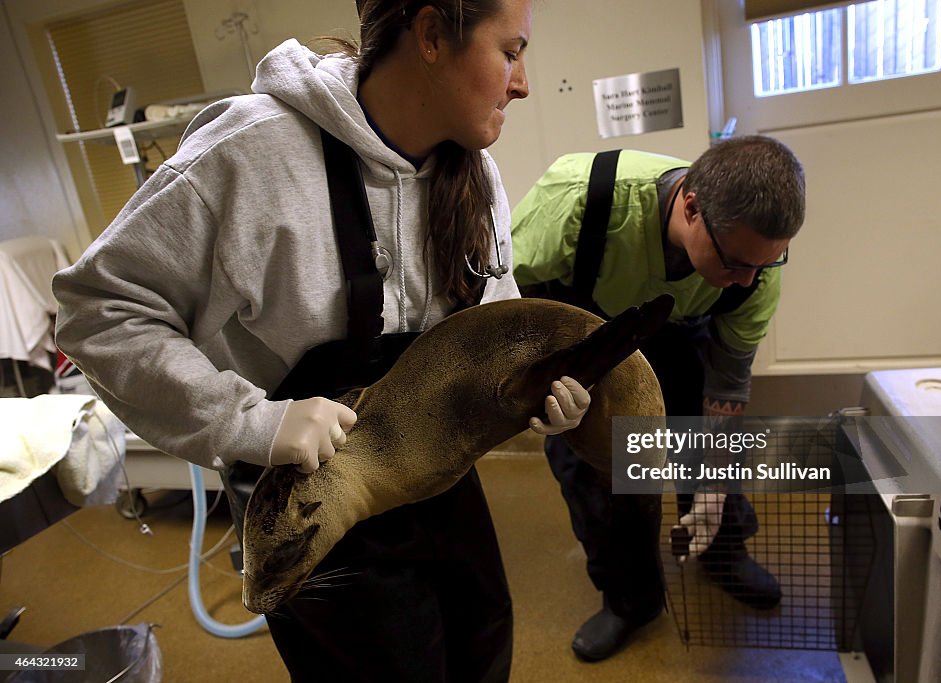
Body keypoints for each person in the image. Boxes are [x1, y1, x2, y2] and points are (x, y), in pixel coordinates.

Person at [52, 1, 593, 681]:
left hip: (434, 481)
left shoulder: (475, 176)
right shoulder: (251, 154)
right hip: (306, 501)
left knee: (482, 644)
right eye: (509, 52)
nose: (522, 83)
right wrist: (253, 421)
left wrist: (530, 387)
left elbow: (493, 321)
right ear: (430, 36)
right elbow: (98, 311)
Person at [511, 136, 806, 662]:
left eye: (767, 264)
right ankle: (631, 599)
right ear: (691, 206)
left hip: (678, 326)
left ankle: (721, 547)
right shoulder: (576, 200)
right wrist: (539, 384)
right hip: (584, 334)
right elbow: (505, 299)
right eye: (738, 263)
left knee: (708, 444)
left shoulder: (755, 265)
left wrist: (713, 475)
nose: (750, 279)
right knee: (598, 472)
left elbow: (727, 379)